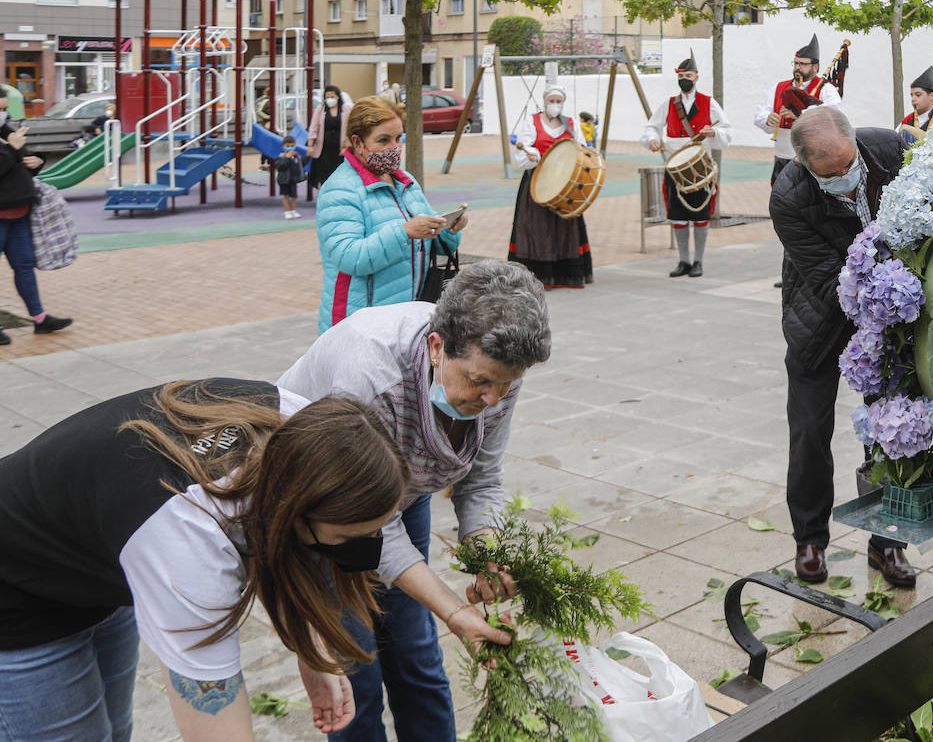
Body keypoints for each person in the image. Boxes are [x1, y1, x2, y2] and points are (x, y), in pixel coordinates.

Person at [0, 377, 514, 742]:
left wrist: (309, 645)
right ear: (297, 509)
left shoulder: (299, 423)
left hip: (100, 564)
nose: (352, 551)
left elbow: (281, 538)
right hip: (17, 591)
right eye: (342, 536)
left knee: (113, 730)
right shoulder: (190, 542)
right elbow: (214, 721)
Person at [277, 259, 552, 742]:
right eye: (479, 381)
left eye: (506, 384)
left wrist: (486, 551)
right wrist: (452, 607)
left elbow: (481, 479)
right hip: (324, 516)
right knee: (355, 668)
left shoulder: (498, 368)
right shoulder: (369, 376)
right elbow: (370, 528)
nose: (493, 399)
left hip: (403, 498)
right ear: (436, 346)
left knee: (416, 657)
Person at [769, 106, 916, 589]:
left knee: (893, 428)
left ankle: (887, 538)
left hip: (893, 314)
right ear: (807, 168)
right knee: (810, 431)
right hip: (821, 315)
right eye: (832, 177)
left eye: (850, 167)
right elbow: (829, 276)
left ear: (856, 144)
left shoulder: (889, 149)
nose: (847, 183)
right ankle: (809, 539)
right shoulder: (788, 196)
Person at [316, 96, 466, 333]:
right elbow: (349, 257)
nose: (394, 147)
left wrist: (448, 227)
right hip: (359, 323)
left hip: (406, 317)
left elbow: (433, 243)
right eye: (383, 140)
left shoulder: (405, 181)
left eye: (398, 138)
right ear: (358, 142)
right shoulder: (340, 189)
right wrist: (405, 232)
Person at [642, 52, 732, 278]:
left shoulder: (709, 102)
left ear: (697, 78)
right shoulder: (669, 104)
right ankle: (683, 261)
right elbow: (652, 126)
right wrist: (652, 139)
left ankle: (698, 261)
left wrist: (714, 131)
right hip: (675, 169)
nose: (684, 79)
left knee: (701, 215)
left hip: (700, 169)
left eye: (689, 75)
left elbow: (727, 130)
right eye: (681, 75)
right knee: (678, 215)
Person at [508, 85, 594, 288]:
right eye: (551, 101)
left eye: (558, 101)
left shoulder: (571, 124)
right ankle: (537, 275)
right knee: (536, 226)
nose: (555, 105)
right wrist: (532, 154)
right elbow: (523, 149)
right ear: (545, 102)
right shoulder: (532, 121)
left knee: (566, 226)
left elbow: (581, 148)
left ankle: (565, 274)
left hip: (565, 182)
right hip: (537, 180)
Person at [0, 107, 70, 346]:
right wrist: (12, 149)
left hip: (19, 213)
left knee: (24, 265)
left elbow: (24, 160)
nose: (4, 113)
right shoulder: (8, 139)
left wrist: (38, 161)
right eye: (0, 108)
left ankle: (40, 319)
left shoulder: (5, 131)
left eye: (4, 108)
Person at [755, 34, 842, 184]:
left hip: (813, 159)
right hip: (782, 156)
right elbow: (759, 114)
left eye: (802, 64)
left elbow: (833, 114)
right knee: (781, 199)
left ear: (815, 67)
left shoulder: (826, 89)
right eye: (795, 63)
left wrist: (800, 115)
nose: (797, 68)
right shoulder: (779, 87)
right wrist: (768, 119)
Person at [308, 84, 352, 190]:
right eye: (327, 97)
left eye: (332, 96)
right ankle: (322, 197)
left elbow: (349, 129)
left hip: (338, 149)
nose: (329, 99)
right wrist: (310, 145)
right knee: (322, 175)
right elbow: (314, 128)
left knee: (338, 175)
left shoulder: (345, 110)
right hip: (323, 149)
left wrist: (345, 147)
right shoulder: (320, 109)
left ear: (338, 97)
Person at [275, 135, 305, 219]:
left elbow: (300, 165)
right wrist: (286, 158)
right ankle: (287, 211)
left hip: (293, 179)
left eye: (292, 146)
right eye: (288, 146)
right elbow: (279, 167)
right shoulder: (281, 157)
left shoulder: (296, 156)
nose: (290, 148)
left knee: (294, 196)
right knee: (286, 196)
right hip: (284, 180)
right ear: (283, 146)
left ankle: (293, 210)